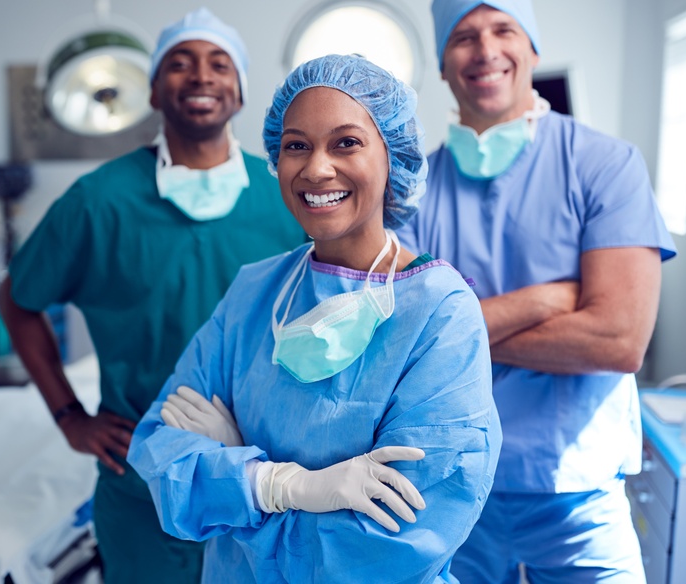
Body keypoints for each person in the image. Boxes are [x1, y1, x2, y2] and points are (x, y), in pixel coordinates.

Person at [128, 54, 501, 583]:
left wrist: (237, 480)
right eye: (296, 145)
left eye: (346, 143)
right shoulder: (255, 292)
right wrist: (284, 486)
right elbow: (161, 451)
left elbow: (394, 543)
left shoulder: (439, 312)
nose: (316, 168)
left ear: (392, 156)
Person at [0, 7, 304, 584]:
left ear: (238, 91)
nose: (200, 76)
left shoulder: (287, 195)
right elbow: (17, 298)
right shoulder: (99, 201)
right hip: (145, 493)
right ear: (155, 92)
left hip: (267, 484)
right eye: (179, 64)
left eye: (218, 63)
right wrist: (69, 416)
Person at [395, 0, 678, 582]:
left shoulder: (605, 165)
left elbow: (619, 339)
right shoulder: (413, 195)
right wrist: (546, 299)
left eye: (503, 30)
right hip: (449, 487)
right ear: (443, 65)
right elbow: (400, 345)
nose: (484, 50)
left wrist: (456, 332)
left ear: (530, 46)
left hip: (579, 489)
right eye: (464, 37)